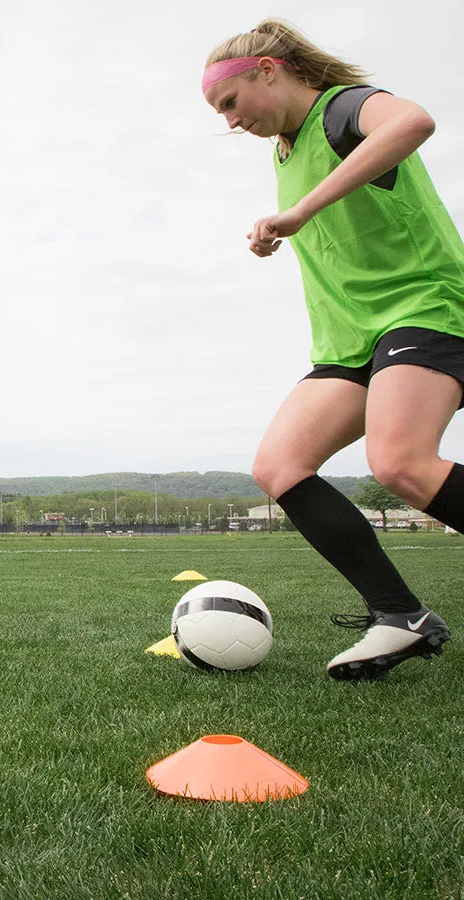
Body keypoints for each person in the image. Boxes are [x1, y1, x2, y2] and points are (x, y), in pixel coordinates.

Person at [202, 19, 464, 680]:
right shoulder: (283, 153)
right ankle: (398, 615)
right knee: (280, 465)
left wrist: (301, 213)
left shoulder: (344, 108)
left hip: (425, 309)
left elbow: (414, 122)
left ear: (267, 70)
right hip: (349, 341)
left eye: (230, 103)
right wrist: (281, 231)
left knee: (401, 462)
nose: (230, 122)